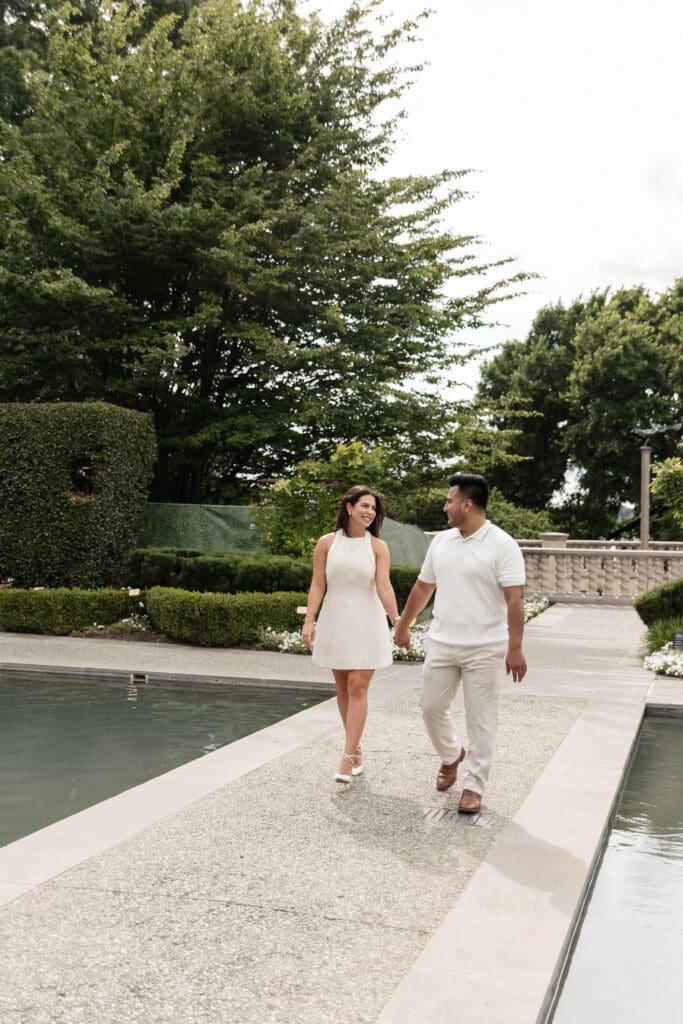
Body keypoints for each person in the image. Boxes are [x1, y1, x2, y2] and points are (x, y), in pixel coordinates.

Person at [394, 473, 527, 814]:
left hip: (485, 647)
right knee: (429, 706)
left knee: (481, 719)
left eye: (450, 500)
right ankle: (452, 755)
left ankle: (474, 785)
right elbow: (424, 587)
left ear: (468, 504)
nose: (445, 506)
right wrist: (403, 625)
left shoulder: (502, 544)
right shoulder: (441, 542)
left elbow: (515, 599)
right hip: (442, 642)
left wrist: (515, 648)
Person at [302, 486, 403, 784]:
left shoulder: (378, 547)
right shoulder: (326, 543)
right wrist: (310, 620)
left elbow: (384, 586)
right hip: (335, 620)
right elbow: (318, 583)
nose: (370, 512)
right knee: (344, 689)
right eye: (365, 506)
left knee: (359, 686)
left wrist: (397, 620)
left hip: (368, 623)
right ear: (348, 507)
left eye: (373, 508)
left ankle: (346, 757)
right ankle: (356, 747)